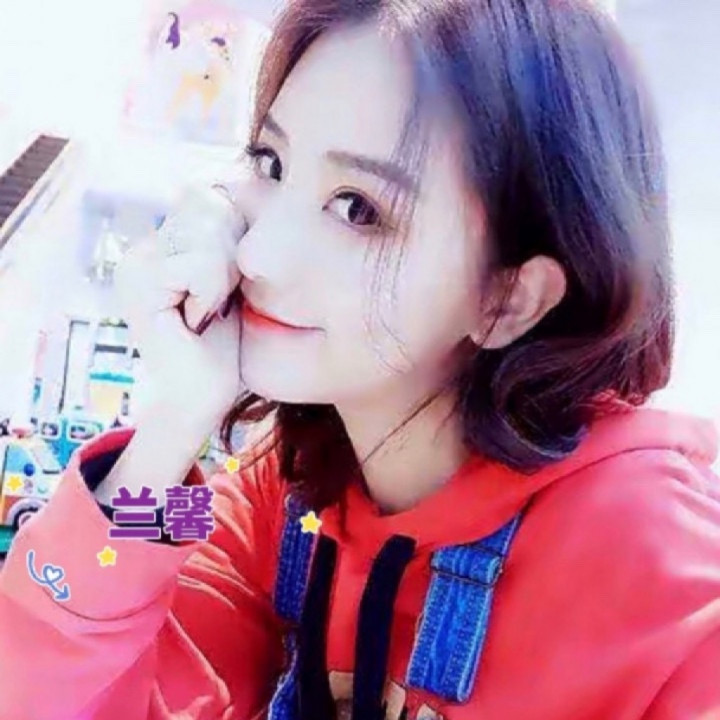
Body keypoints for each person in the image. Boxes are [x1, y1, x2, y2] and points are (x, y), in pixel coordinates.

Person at [1, 0, 719, 718]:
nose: (258, 252)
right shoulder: (278, 499)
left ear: (508, 298)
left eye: (357, 209)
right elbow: (58, 669)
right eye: (271, 163)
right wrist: (170, 430)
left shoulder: (665, 572)